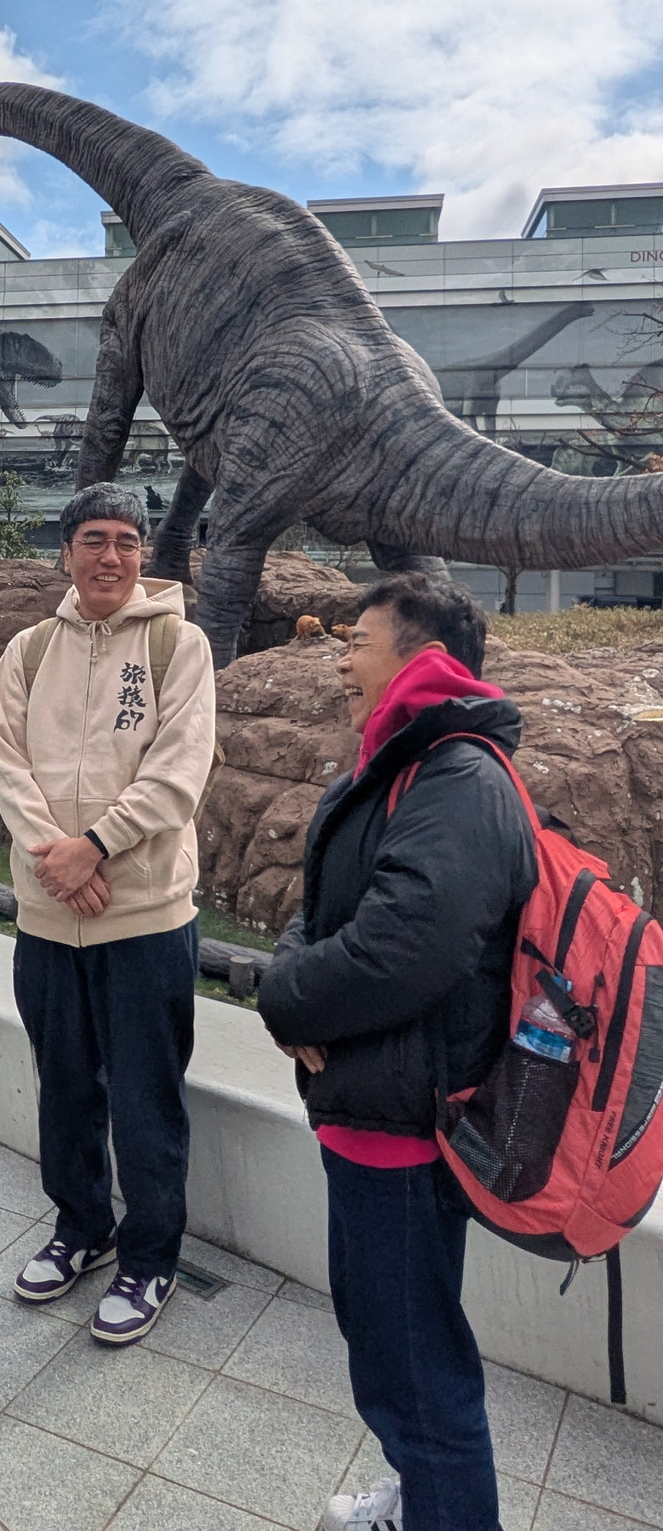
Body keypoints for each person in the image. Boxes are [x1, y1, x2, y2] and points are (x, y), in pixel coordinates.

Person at [257, 573, 535, 1531]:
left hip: (405, 1131)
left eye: (358, 641)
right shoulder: (401, 769)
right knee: (399, 1350)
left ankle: (445, 1505)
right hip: (380, 1115)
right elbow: (320, 919)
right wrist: (295, 984)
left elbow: (404, 946)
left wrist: (283, 994)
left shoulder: (457, 776)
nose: (340, 659)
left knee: (413, 1372)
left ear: (420, 659)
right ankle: (425, 1501)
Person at [0, 481, 217, 1345]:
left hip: (145, 916)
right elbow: (5, 758)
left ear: (144, 552)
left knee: (147, 1100)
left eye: (125, 539)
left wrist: (99, 844)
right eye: (93, 539)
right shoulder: (29, 649)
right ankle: (79, 1227)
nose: (109, 555)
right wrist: (58, 856)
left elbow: (181, 767)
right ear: (67, 550)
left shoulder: (177, 646)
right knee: (64, 1090)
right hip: (48, 917)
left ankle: (150, 1259)